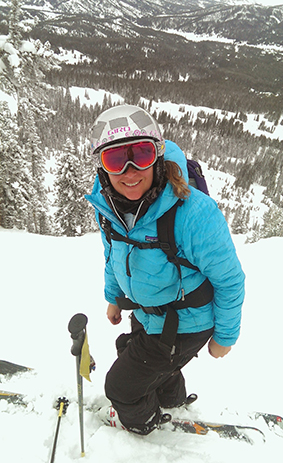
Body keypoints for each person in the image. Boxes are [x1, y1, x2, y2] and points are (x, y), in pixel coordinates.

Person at [86, 104, 245, 435]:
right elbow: (111, 252)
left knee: (120, 387)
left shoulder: (193, 213)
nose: (130, 172)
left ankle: (144, 425)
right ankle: (172, 403)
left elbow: (230, 279)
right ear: (102, 166)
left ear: (157, 155)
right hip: (150, 311)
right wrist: (114, 296)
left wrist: (225, 336)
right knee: (128, 350)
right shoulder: (109, 205)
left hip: (186, 322)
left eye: (141, 155)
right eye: (116, 160)